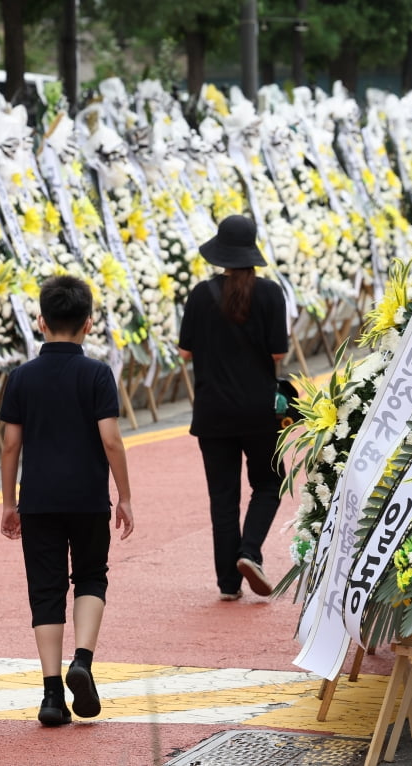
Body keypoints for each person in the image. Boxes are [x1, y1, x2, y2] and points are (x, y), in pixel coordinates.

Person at [0, 275, 135, 727]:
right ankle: (83, 660)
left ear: (41, 322)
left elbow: (11, 446)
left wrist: (8, 503)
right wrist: (125, 496)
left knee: (46, 590)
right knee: (92, 576)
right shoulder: (97, 374)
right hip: (88, 497)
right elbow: (111, 441)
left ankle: (51, 695)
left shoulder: (20, 378)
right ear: (88, 324)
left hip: (37, 500)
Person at [177, 214, 289, 601]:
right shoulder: (271, 294)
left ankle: (228, 583)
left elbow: (185, 350)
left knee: (223, 497)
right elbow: (278, 352)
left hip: (212, 413)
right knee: (270, 483)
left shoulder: (200, 294)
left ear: (220, 252)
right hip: (260, 411)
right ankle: (250, 550)